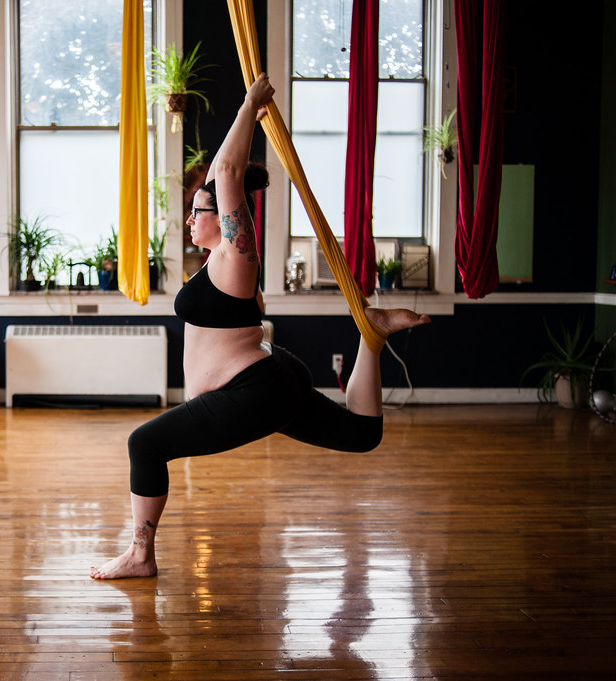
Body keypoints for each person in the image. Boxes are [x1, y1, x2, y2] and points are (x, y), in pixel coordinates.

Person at [91, 73, 430, 579]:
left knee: (145, 444)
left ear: (228, 218)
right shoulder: (214, 264)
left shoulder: (236, 255)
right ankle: (371, 336)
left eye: (198, 210)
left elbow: (226, 169)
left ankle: (141, 556)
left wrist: (249, 103)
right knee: (361, 435)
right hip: (270, 380)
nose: (189, 219)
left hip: (252, 389)